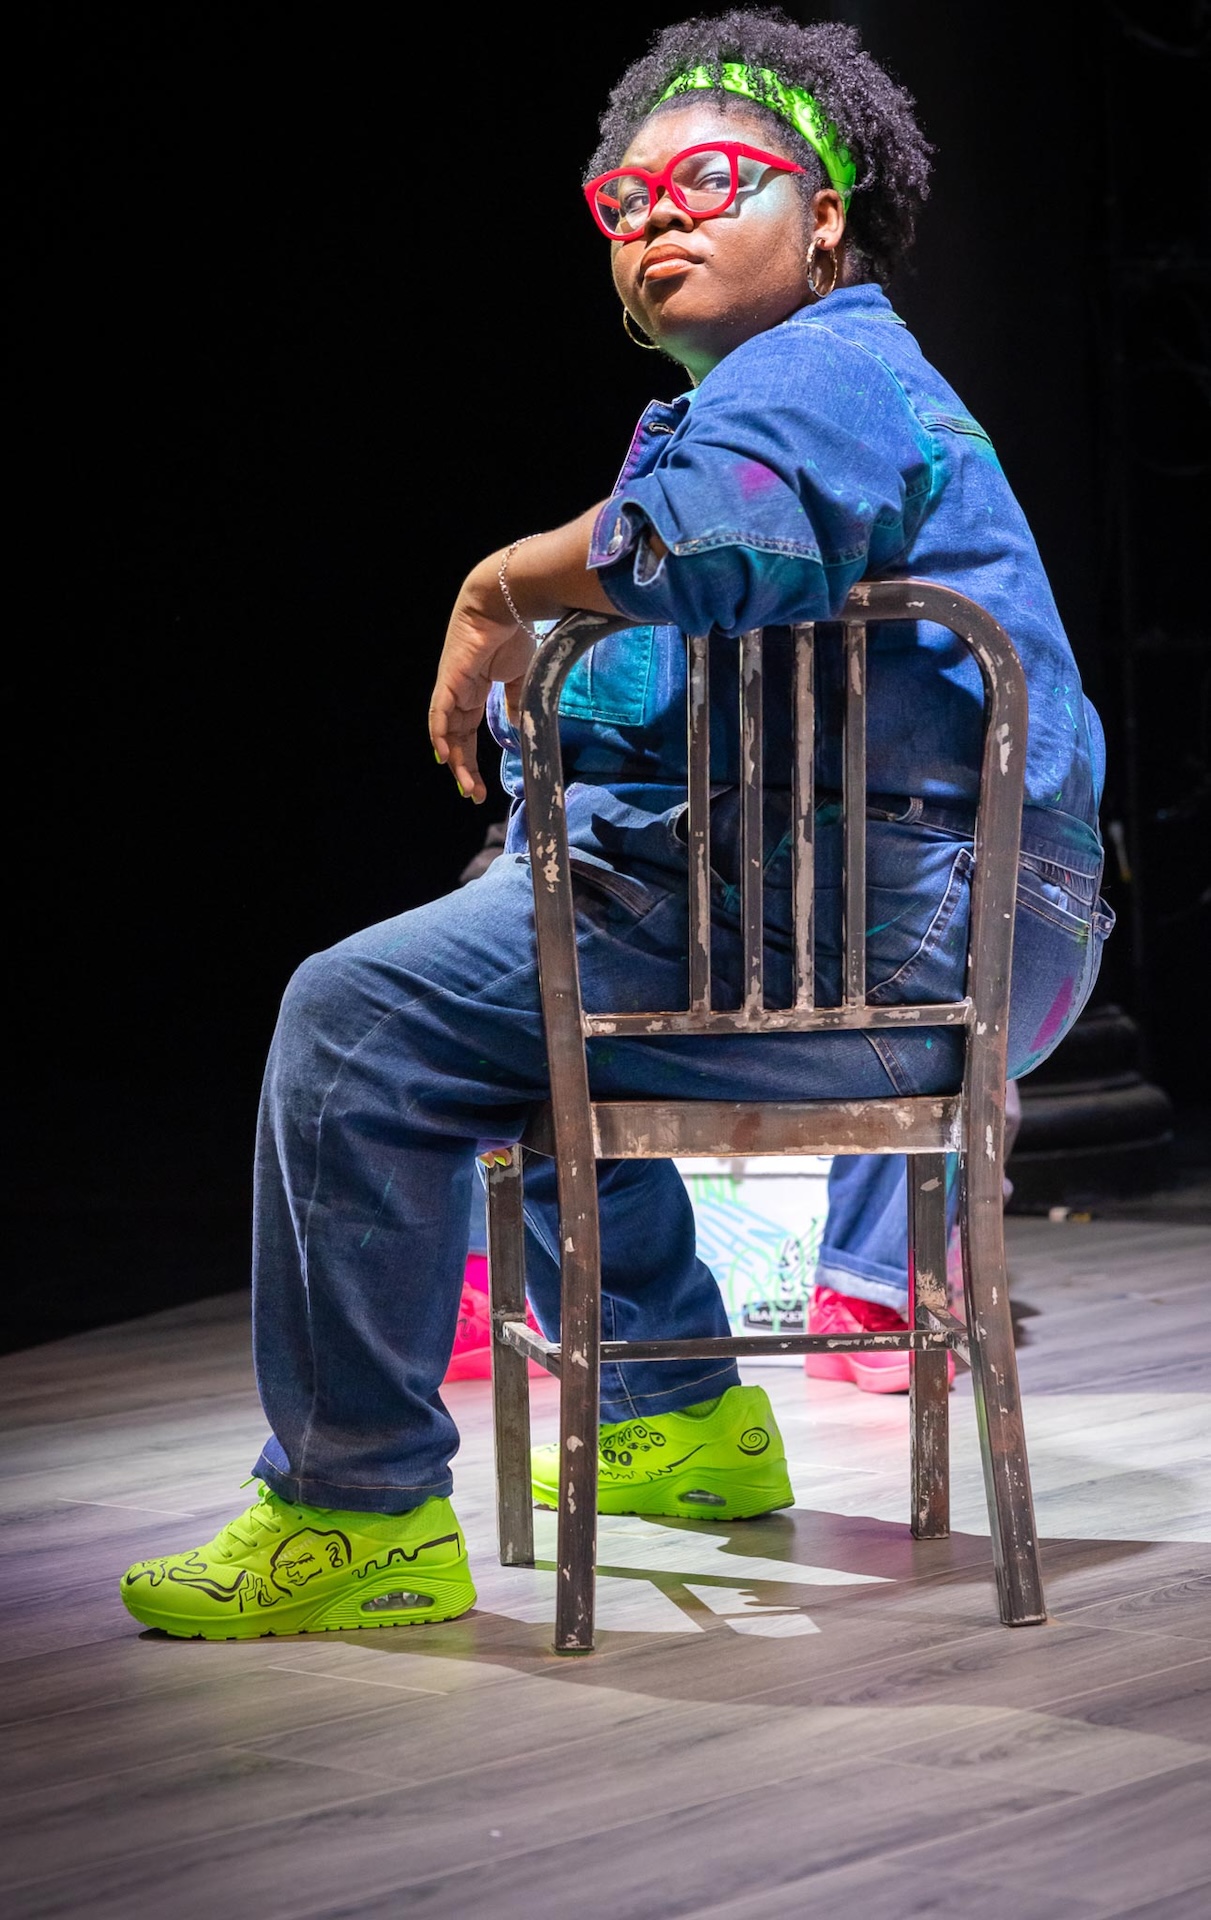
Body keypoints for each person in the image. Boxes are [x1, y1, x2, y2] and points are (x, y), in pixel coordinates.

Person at [120, 11, 1110, 1639]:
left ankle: (354, 1508)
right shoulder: (768, 401)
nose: (655, 218)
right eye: (622, 203)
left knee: (355, 1018)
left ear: (828, 216)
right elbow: (664, 696)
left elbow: (718, 547)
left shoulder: (824, 368)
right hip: (922, 937)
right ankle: (679, 1417)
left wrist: (497, 585)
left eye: (711, 180)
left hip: (879, 931)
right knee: (496, 996)